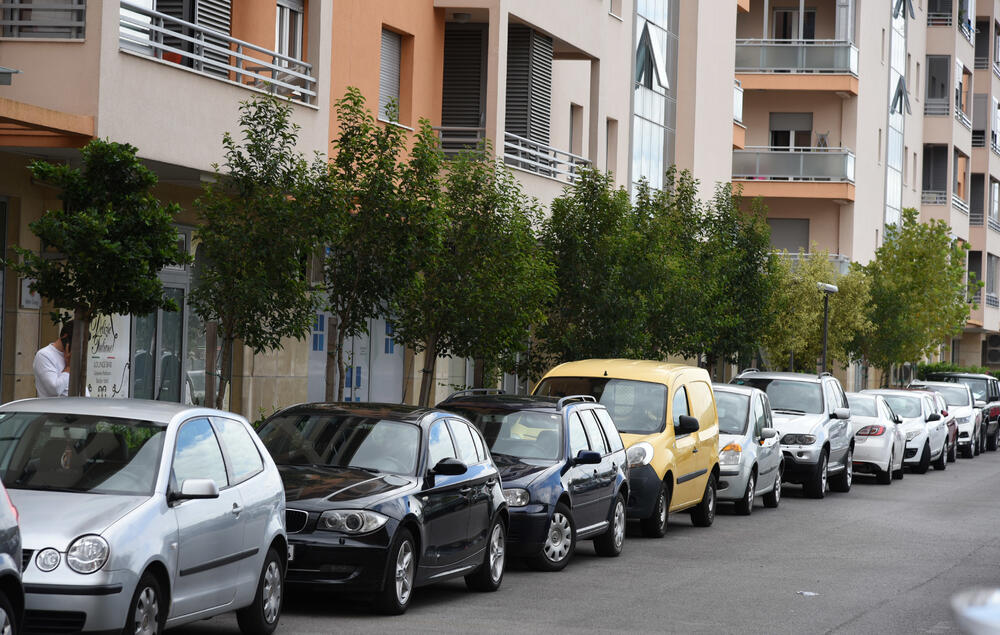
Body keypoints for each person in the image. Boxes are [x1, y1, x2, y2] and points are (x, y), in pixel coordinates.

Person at [33, 322, 74, 398]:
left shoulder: (72, 356)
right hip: (56, 408)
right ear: (65, 337)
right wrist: (68, 367)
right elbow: (54, 390)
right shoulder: (44, 355)